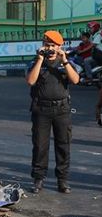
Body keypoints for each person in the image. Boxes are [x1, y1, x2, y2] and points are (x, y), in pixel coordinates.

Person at [26, 30, 79, 194]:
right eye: (47, 44)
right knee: (40, 146)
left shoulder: (66, 62)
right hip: (41, 109)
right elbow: (30, 81)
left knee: (63, 145)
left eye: (53, 45)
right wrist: (40, 60)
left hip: (62, 109)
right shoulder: (36, 61)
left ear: (59, 46)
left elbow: (76, 80)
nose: (50, 48)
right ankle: (38, 179)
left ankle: (62, 180)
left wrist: (64, 61)